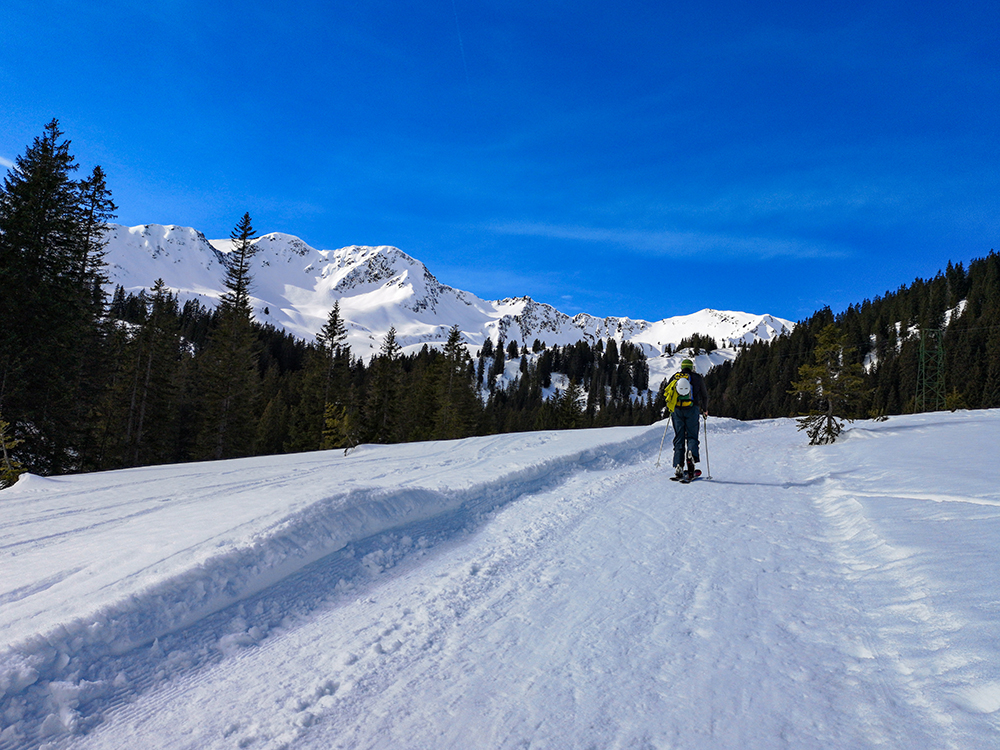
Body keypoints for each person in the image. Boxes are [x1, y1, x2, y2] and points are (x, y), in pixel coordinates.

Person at [665, 358, 709, 480]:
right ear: (691, 367)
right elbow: (705, 395)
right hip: (692, 409)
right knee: (692, 436)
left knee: (679, 437)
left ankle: (678, 465)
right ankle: (691, 456)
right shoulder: (697, 377)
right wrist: (705, 410)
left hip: (677, 411)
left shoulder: (675, 377)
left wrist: (670, 408)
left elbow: (668, 392)